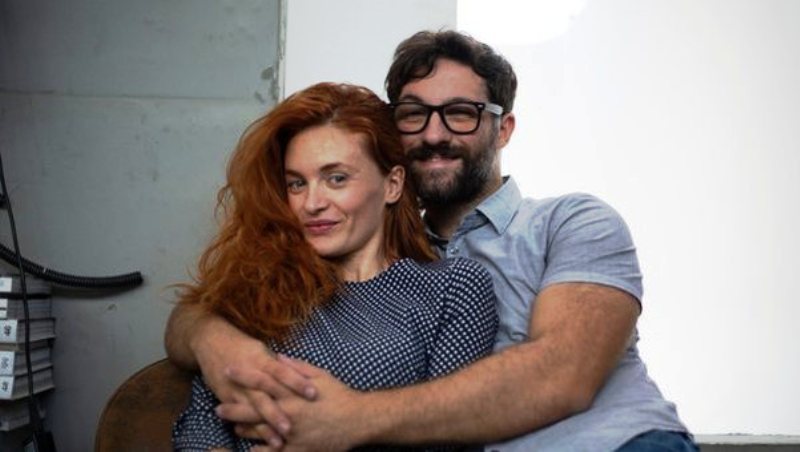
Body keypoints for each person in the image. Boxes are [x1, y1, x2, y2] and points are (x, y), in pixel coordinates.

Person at [165, 31, 696, 452]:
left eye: (461, 113)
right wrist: (217, 341)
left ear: (504, 129)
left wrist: (346, 419)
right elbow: (201, 316)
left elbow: (566, 374)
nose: (435, 134)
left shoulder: (571, 222)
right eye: (414, 114)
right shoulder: (368, 251)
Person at [168, 81, 499, 451]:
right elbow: (203, 422)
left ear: (392, 184)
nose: (312, 203)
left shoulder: (452, 287)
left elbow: (449, 437)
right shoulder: (259, 285)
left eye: (336, 178)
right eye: (296, 184)